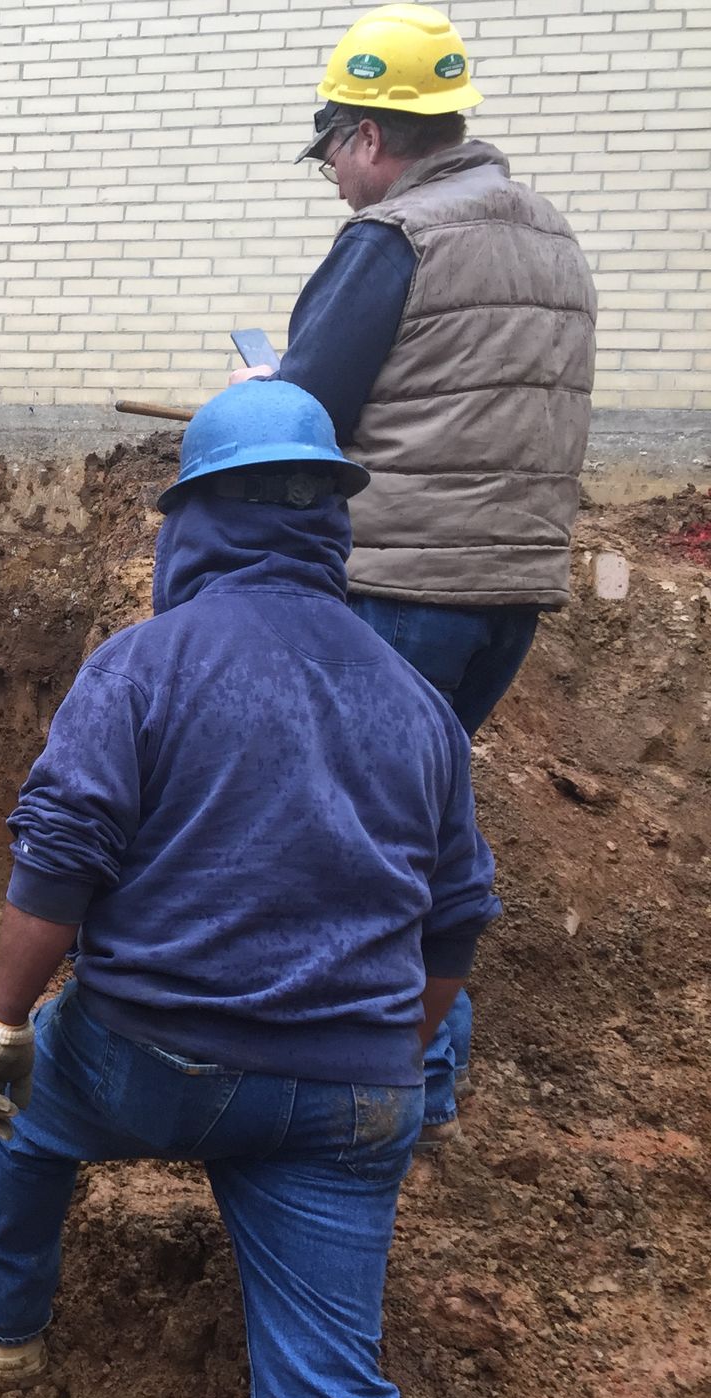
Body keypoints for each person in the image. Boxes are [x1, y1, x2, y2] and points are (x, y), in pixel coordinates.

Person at [0, 382, 500, 1398]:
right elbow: (456, 919)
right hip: (351, 1098)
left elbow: (59, 860)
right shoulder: (418, 702)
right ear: (332, 522)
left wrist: (4, 1022)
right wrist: (388, 1052)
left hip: (152, 1058)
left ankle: (7, 1327)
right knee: (330, 1393)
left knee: (16, 1114)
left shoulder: (142, 666)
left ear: (194, 520)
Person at [232, 2, 596, 1145]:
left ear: (368, 137)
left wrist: (260, 397)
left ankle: (360, 1092)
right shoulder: (550, 236)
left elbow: (306, 417)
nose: (336, 181)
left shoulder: (396, 239)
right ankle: (419, 1086)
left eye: (332, 156)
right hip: (510, 594)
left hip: (400, 588)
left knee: (351, 839)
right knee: (421, 819)